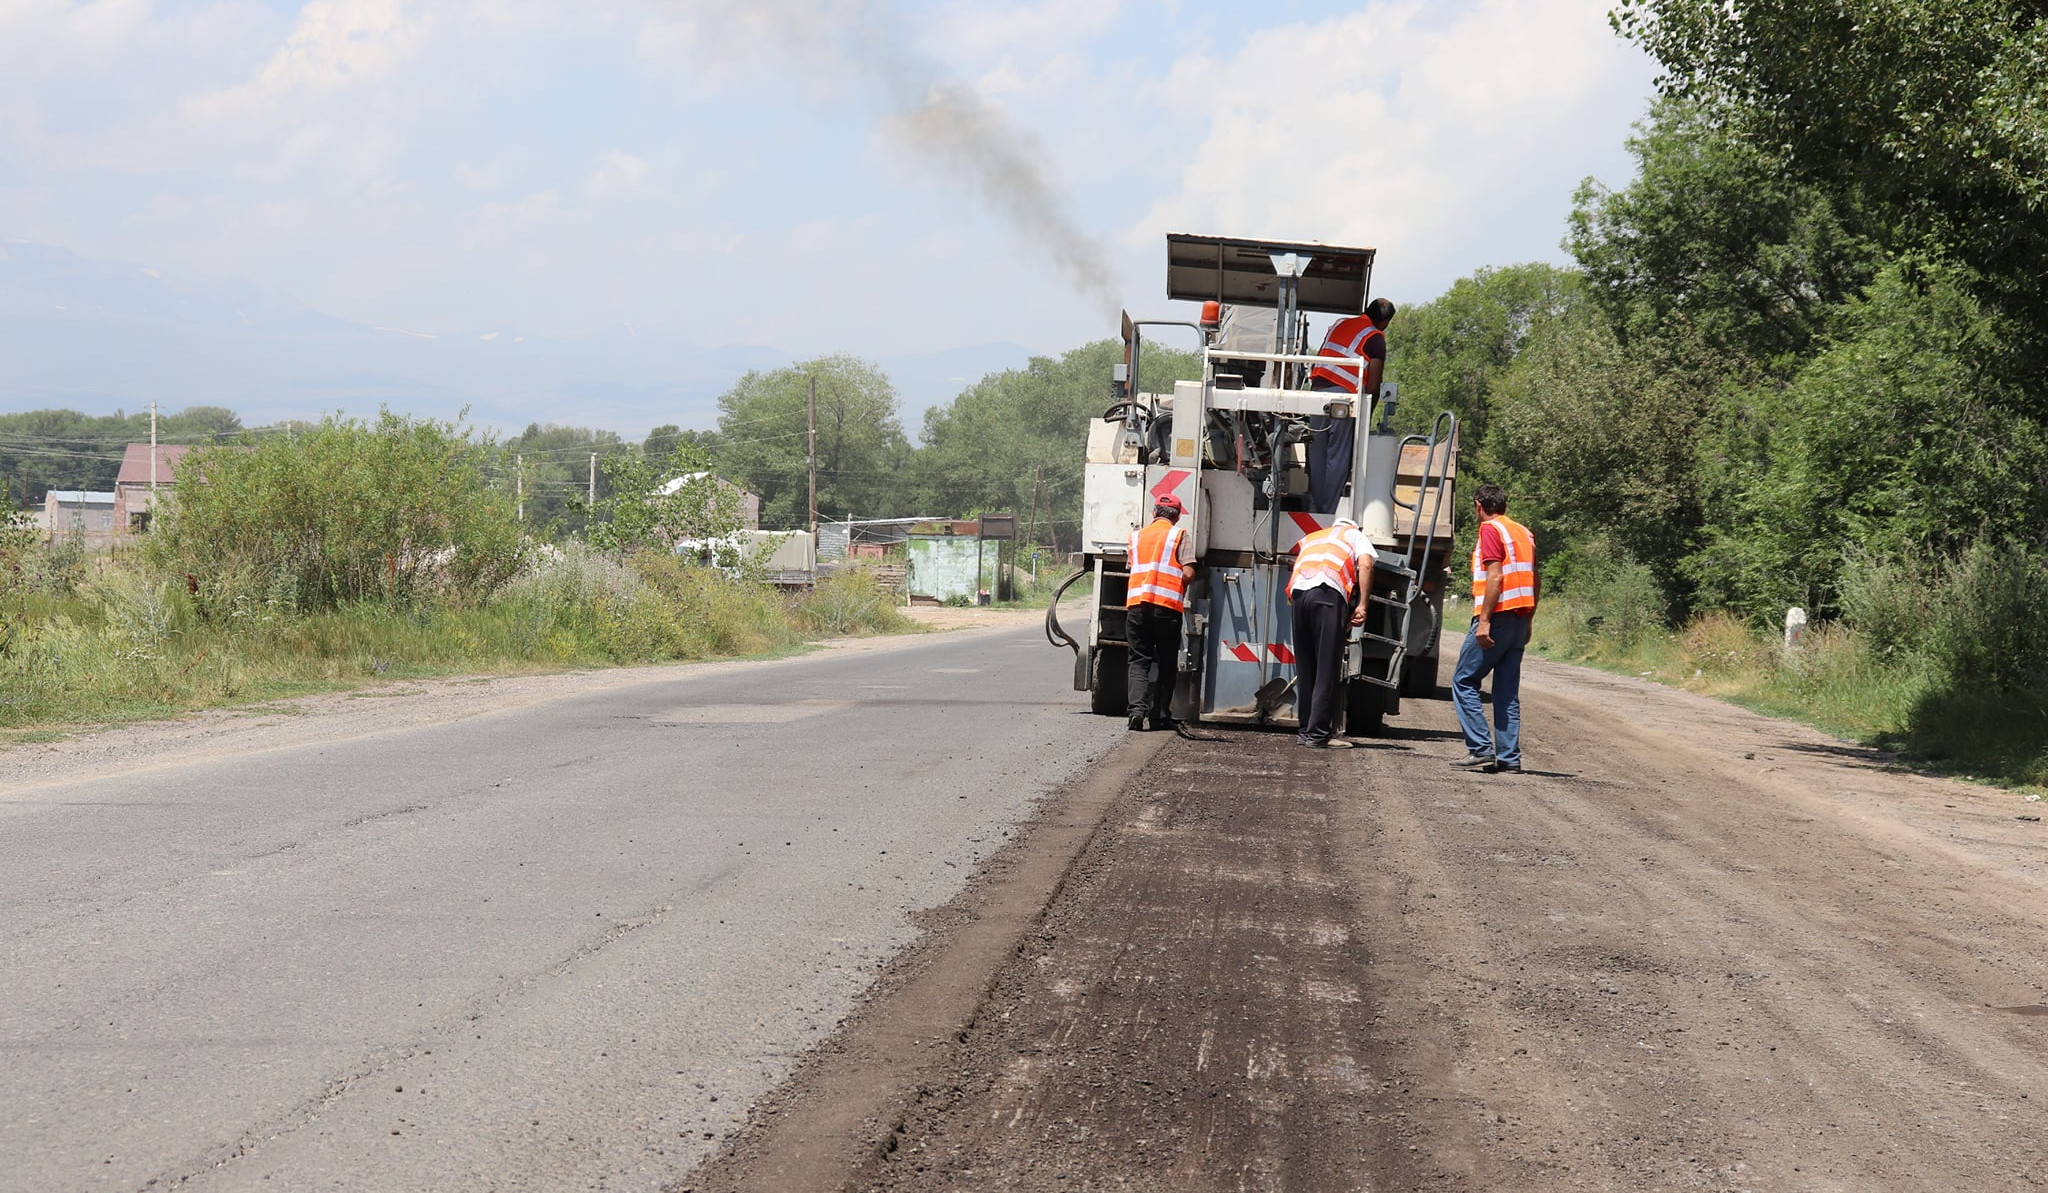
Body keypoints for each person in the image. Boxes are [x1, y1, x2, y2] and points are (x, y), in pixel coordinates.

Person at [1450, 484, 1539, 774]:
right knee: (1506, 692)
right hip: (1519, 618)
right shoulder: (1523, 532)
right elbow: (1535, 578)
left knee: (1464, 681)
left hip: (1497, 616)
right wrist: (1528, 620)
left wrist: (1484, 620)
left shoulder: (1490, 529)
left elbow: (1495, 576)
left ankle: (1480, 749)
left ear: (1479, 505)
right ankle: (1509, 757)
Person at [1287, 517, 1374, 748]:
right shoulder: (1354, 535)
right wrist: (1362, 605)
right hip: (1326, 595)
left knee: (1306, 667)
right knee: (1326, 667)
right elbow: (1366, 565)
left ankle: (1305, 731)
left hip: (1299, 597)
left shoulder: (1313, 537)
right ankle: (1318, 735)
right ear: (1354, 526)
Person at [1305, 298, 1396, 513]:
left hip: (1317, 393)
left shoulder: (1340, 323)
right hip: (1343, 399)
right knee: (1338, 457)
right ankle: (1326, 513)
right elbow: (1373, 386)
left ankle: (1315, 509)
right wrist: (1366, 417)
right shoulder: (1375, 337)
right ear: (1385, 322)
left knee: (1316, 455)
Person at [1125, 494, 1195, 731]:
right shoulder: (1179, 535)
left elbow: (1133, 567)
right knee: (1166, 662)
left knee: (1139, 661)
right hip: (1166, 608)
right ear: (1177, 516)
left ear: (1154, 513)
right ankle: (1159, 716)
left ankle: (1136, 712)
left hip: (1137, 606)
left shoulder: (1136, 536)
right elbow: (1188, 573)